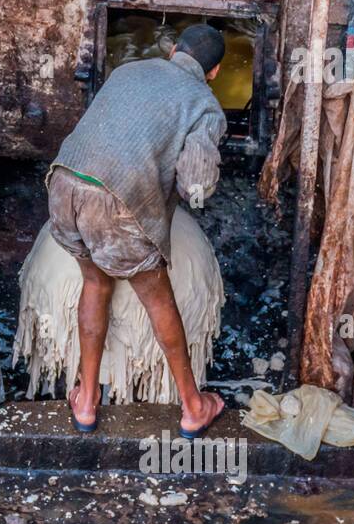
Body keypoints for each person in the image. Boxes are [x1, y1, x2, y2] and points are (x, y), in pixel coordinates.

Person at [47, 23, 228, 436]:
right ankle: (193, 406)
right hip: (115, 204)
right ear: (214, 72)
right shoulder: (204, 103)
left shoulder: (126, 71)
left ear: (173, 50)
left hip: (63, 183)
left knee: (95, 283)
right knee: (158, 299)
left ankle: (87, 401)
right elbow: (195, 185)